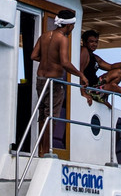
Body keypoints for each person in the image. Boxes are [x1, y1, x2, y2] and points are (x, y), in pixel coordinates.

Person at [30, 9, 86, 156]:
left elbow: (33, 55)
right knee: (51, 116)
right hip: (53, 82)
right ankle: (46, 150)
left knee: (43, 115)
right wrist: (80, 75)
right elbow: (65, 63)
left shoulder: (44, 36)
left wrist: (47, 60)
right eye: (73, 26)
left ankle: (41, 150)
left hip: (41, 79)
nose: (72, 29)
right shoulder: (62, 38)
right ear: (69, 25)